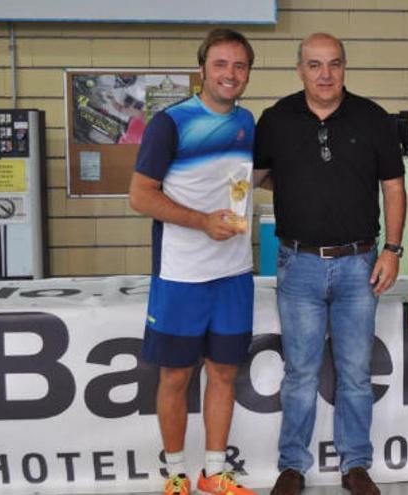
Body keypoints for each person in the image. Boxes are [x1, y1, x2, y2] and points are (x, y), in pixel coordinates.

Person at [253, 32, 406, 495]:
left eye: (334, 64)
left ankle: (356, 465)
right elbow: (251, 178)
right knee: (299, 372)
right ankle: (292, 466)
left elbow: (394, 189)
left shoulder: (374, 119)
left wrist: (392, 250)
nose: (325, 74)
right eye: (315, 65)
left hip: (360, 265)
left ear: (344, 67)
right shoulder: (276, 120)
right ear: (299, 69)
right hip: (297, 265)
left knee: (356, 372)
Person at [128, 29, 258, 495]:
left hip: (234, 272)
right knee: (176, 376)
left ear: (248, 74)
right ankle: (176, 474)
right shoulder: (170, 123)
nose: (230, 73)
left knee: (224, 373)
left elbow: (247, 178)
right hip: (181, 274)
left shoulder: (248, 121)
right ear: (202, 68)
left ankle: (215, 473)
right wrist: (202, 221)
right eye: (221, 64)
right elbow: (140, 196)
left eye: (240, 66)